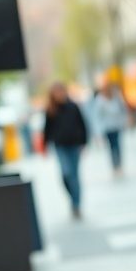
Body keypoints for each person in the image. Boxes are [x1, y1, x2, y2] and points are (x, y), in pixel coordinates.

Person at [42, 81, 89, 218]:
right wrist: (45, 145)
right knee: (65, 174)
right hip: (60, 145)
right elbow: (47, 129)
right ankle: (73, 197)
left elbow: (82, 124)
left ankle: (76, 205)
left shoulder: (73, 106)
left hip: (74, 144)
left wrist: (84, 142)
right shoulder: (51, 109)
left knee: (74, 175)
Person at [91, 80, 130, 175]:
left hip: (117, 125)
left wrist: (126, 119)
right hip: (107, 128)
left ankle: (119, 165)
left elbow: (123, 109)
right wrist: (98, 131)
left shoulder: (117, 97)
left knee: (118, 145)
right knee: (112, 147)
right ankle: (115, 166)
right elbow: (97, 116)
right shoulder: (100, 100)